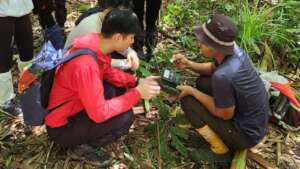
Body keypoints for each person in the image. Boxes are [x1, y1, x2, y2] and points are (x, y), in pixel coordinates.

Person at [45, 9, 161, 161]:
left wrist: (136, 82)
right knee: (126, 117)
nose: (132, 42)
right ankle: (80, 146)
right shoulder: (86, 66)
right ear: (118, 37)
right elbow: (99, 114)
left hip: (74, 106)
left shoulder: (95, 42)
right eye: (131, 38)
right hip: (62, 126)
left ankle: (83, 134)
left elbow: (107, 72)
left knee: (117, 89)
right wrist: (137, 93)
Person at [172, 14, 270, 154]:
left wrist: (192, 92)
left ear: (215, 47)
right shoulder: (232, 50)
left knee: (188, 101)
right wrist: (188, 64)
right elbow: (213, 68)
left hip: (245, 135)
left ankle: (219, 147)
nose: (198, 43)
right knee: (203, 82)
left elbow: (225, 114)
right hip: (253, 121)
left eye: (203, 42)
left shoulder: (223, 75)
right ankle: (209, 124)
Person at [65, 0, 139, 71]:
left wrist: (130, 52)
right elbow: (96, 60)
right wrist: (125, 63)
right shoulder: (92, 30)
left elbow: (116, 41)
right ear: (107, 11)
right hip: (75, 66)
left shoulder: (109, 21)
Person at [0, 0, 34, 116]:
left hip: (23, 9)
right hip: (2, 13)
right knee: (3, 58)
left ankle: (29, 87)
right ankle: (5, 101)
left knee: (27, 53)